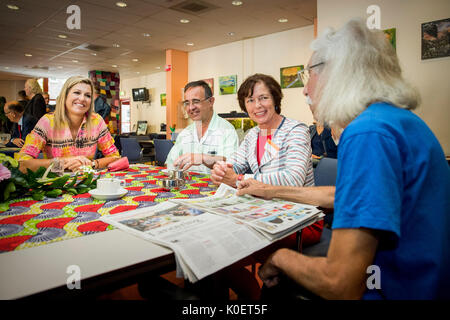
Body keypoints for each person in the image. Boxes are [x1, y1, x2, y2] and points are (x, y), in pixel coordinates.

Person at [241, 19, 450, 300]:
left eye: (309, 75)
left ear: (338, 73)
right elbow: (349, 195)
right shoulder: (393, 121)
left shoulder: (367, 132)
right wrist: (271, 190)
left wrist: (279, 258)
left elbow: (340, 283)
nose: (304, 90)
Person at [211, 73, 322, 246]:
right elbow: (235, 164)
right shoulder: (252, 135)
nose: (257, 106)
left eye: (263, 98)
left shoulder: (296, 130)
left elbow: (293, 179)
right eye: (250, 100)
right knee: (218, 231)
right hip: (263, 210)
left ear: (275, 100)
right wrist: (222, 170)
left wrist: (239, 179)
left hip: (299, 217)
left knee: (230, 239)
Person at [16, 76, 120, 173]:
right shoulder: (47, 122)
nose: (82, 98)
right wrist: (63, 163)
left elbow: (115, 157)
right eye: (77, 93)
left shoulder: (96, 121)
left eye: (88, 95)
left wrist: (92, 164)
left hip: (88, 183)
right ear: (65, 95)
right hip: (56, 185)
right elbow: (22, 164)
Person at [165, 80, 239, 174]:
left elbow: (231, 165)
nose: (191, 107)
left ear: (211, 101)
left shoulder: (227, 130)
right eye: (187, 103)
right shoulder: (185, 133)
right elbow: (170, 163)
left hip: (214, 186)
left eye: (196, 101)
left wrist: (203, 158)